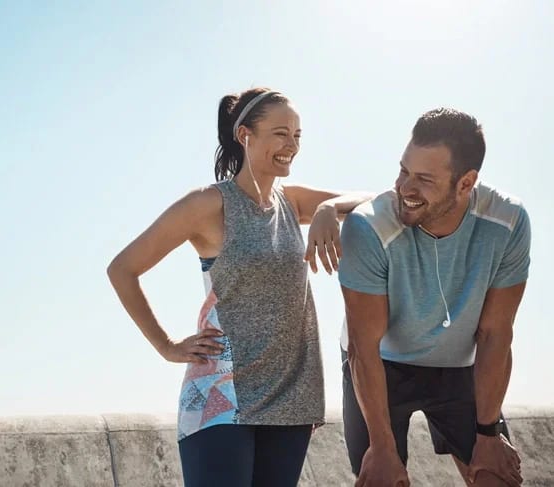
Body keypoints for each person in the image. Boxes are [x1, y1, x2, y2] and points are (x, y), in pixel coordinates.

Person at [107, 87, 371, 487]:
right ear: (245, 134)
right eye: (280, 133)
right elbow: (122, 269)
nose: (291, 145)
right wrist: (166, 346)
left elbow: (376, 201)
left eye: (298, 135)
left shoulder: (293, 202)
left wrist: (327, 208)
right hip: (223, 397)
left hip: (292, 396)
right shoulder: (208, 205)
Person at [328, 108, 529, 486]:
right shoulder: (368, 227)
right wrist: (383, 448)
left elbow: (495, 334)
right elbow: (363, 347)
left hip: (457, 366)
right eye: (404, 170)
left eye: (423, 178)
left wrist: (487, 434)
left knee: (495, 476)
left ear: (465, 183)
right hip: (381, 365)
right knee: (382, 478)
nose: (405, 187)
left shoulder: (508, 220)